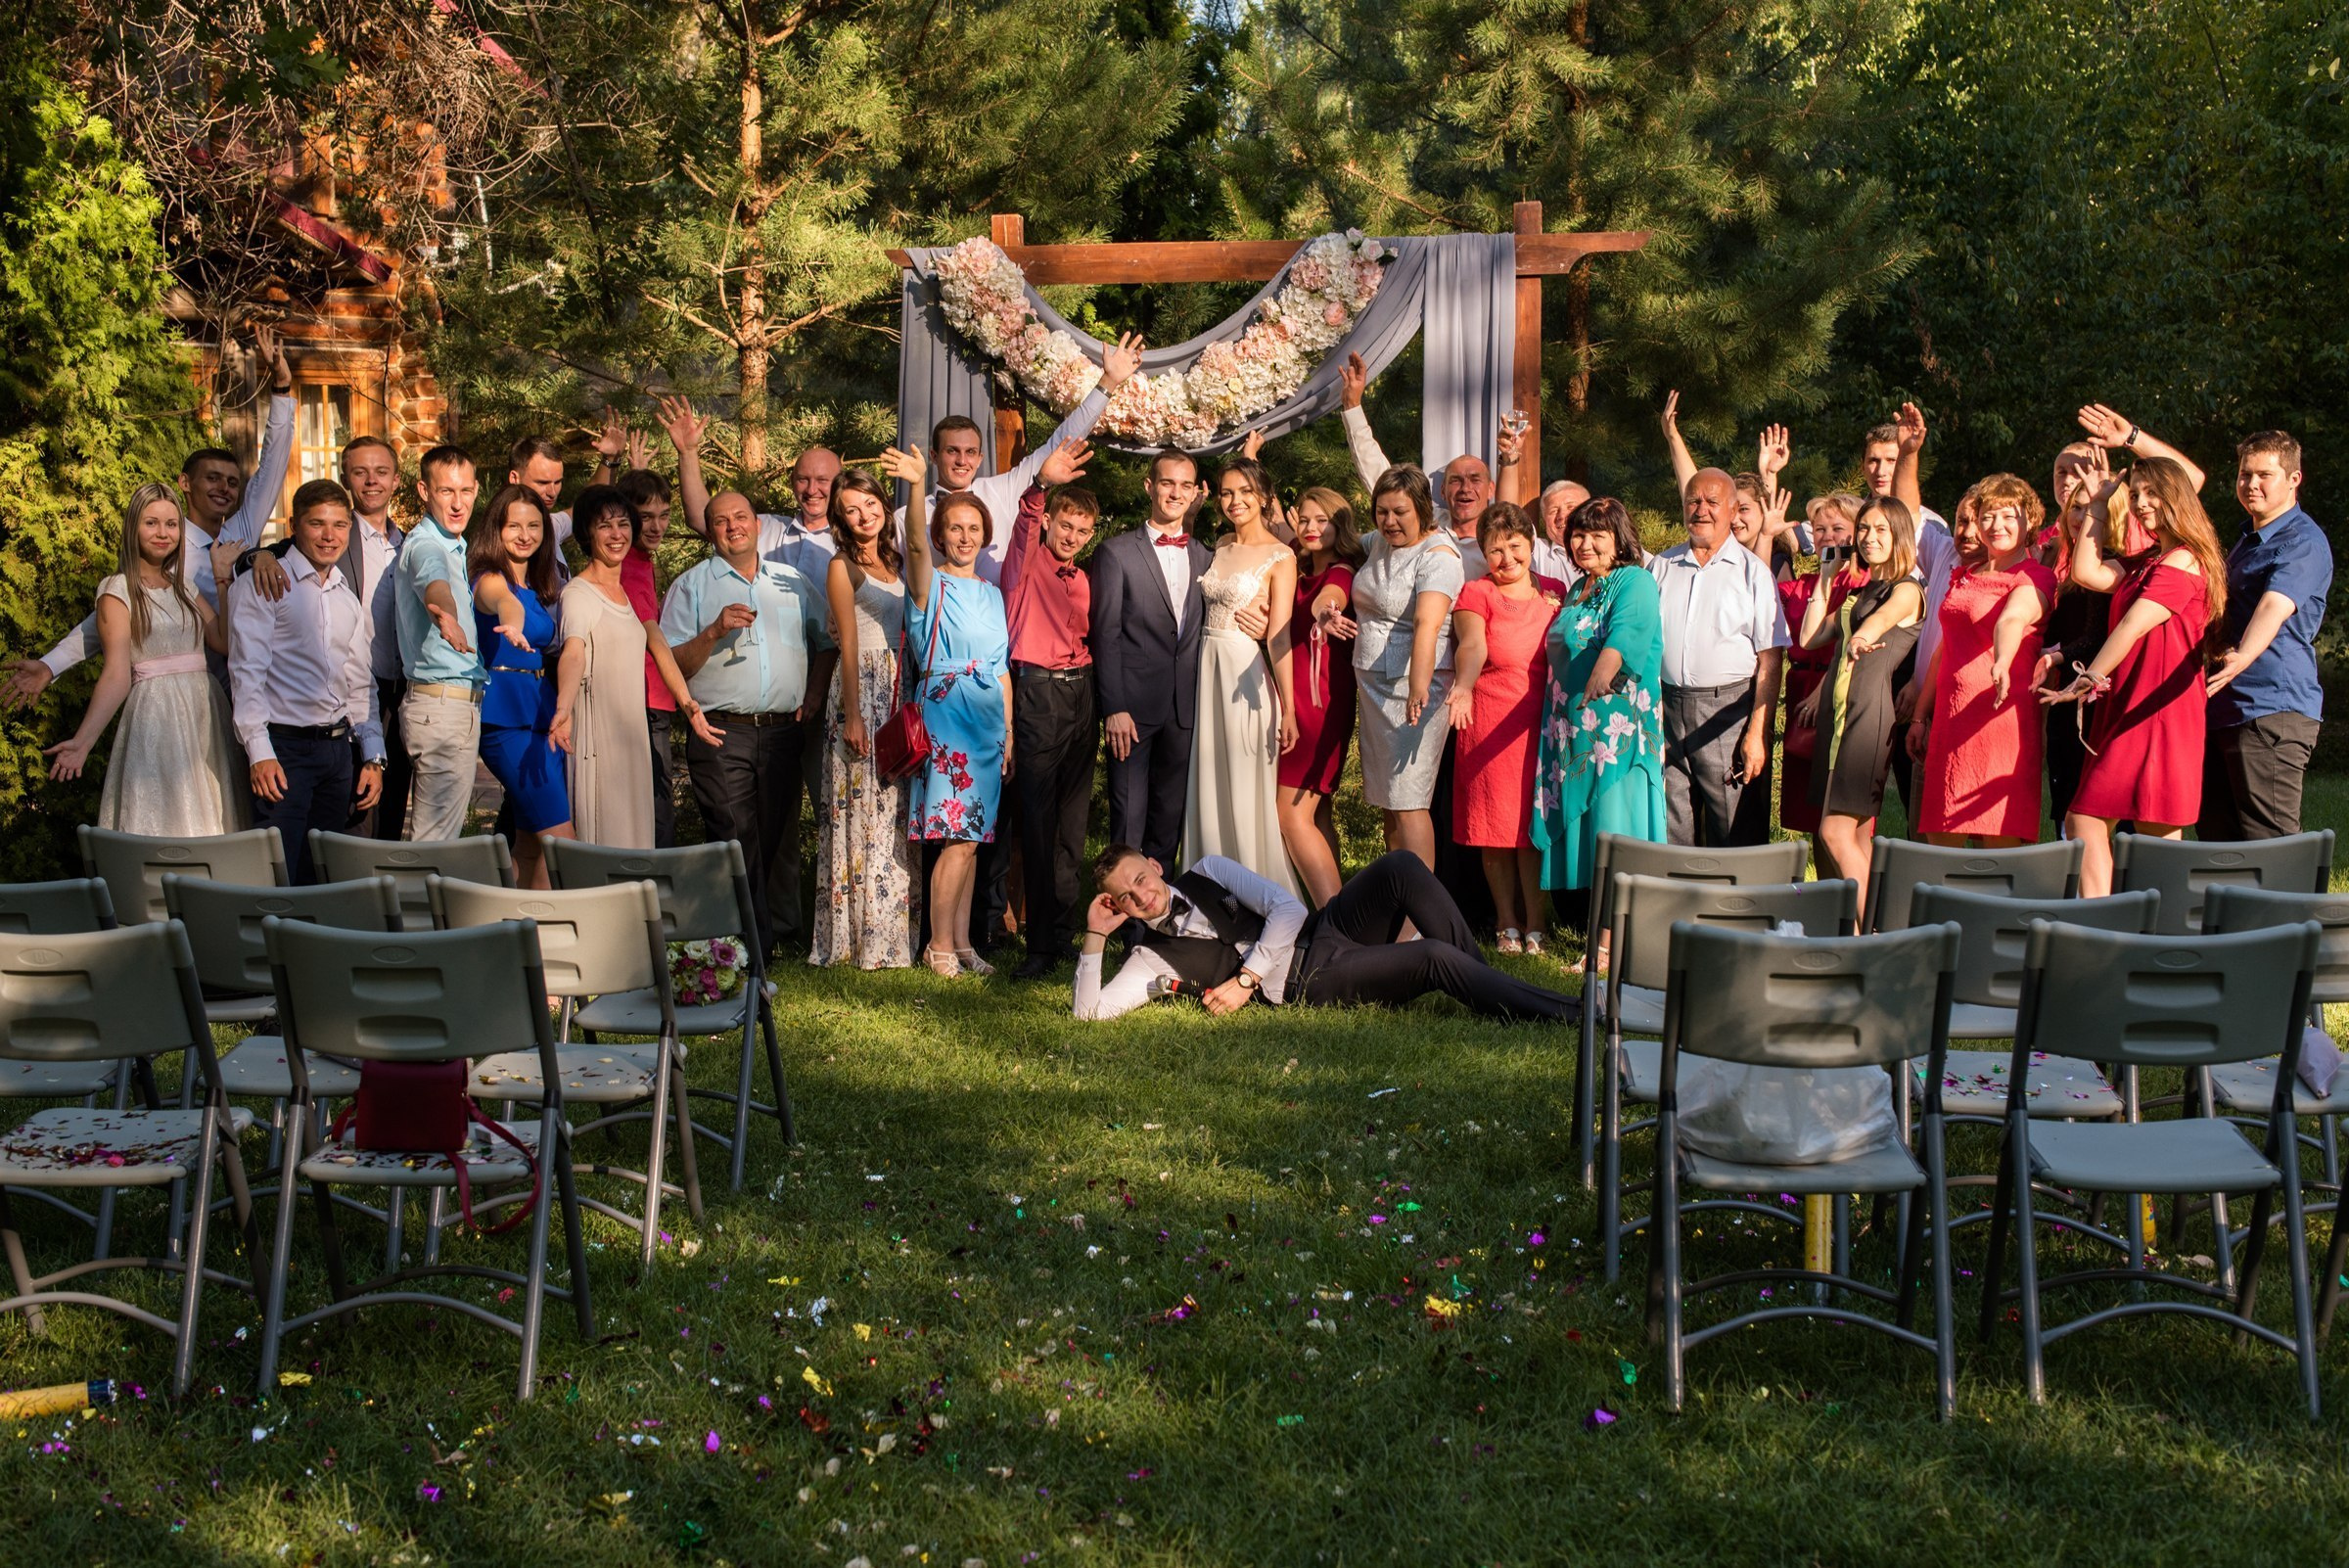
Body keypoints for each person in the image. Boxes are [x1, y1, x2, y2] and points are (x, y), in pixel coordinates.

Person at [7, 329, 296, 706]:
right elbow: (110, 615)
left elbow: (272, 466)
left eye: (231, 482)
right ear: (185, 483)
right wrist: (50, 665)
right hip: (187, 696)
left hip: (251, 692)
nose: (224, 488)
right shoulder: (164, 548)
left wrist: (282, 389)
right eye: (212, 478)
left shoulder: (241, 533)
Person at [1074, 846, 1575, 1022]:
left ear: (1155, 866)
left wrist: (1246, 979)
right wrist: (1095, 936)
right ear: (1118, 908)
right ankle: (1570, 1011)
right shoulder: (1149, 959)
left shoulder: (1208, 870)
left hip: (1325, 927)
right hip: (1309, 980)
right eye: (1126, 898)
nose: (1142, 897)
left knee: (1401, 866)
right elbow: (1089, 1014)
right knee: (1431, 957)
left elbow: (1288, 908)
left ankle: (1488, 989)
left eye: (1141, 879)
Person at [660, 487, 831, 955]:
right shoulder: (692, 586)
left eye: (741, 517)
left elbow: (827, 640)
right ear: (710, 532)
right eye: (721, 520)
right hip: (720, 731)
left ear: (758, 525)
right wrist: (714, 631)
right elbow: (673, 663)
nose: (733, 526)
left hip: (782, 731)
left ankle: (754, 939)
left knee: (772, 836)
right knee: (732, 835)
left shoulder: (792, 582)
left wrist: (815, 693)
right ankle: (749, 949)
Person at [2048, 456, 2225, 898]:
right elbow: (2086, 573)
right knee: (2124, 828)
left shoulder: (2184, 561)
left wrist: (2088, 677)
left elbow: (2132, 625)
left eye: (2152, 493)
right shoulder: (2151, 558)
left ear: (2176, 497)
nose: (2142, 503)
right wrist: (2099, 505)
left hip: (2157, 713)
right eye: (2136, 493)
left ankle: (2112, 922)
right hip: (2129, 704)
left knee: (2113, 824)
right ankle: (2123, 923)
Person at [42, 483, 244, 839]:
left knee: (214, 820)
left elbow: (223, 642)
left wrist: (222, 579)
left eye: (171, 524)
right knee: (168, 819)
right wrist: (83, 741)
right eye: (151, 523)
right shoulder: (117, 590)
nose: (163, 533)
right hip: (157, 716)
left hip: (205, 714)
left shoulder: (184, 587)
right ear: (133, 528)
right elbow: (116, 673)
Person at [888, 450, 1013, 978]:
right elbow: (914, 545)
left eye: (973, 528)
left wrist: (1009, 731)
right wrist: (918, 486)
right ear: (940, 535)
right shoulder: (928, 584)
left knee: (973, 838)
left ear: (985, 536)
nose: (965, 537)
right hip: (946, 713)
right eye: (955, 528)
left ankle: (962, 943)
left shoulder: (992, 593)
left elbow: (1001, 668)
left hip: (987, 722)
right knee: (956, 837)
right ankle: (937, 945)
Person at [225, 480, 383, 885]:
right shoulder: (264, 583)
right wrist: (259, 752)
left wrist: (372, 755)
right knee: (279, 876)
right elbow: (246, 673)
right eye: (317, 524)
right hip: (284, 751)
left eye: (339, 525)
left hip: (338, 754)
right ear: (294, 525)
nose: (330, 535)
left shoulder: (346, 596)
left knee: (325, 876)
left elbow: (359, 681)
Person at [1532, 497, 1666, 955]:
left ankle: (1610, 948)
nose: (1584, 543)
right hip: (1575, 733)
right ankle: (1600, 936)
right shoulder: (1578, 588)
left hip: (1617, 737)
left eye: (1597, 535)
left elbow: (1624, 637)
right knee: (1595, 837)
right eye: (1578, 534)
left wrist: (1600, 677)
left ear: (1619, 539)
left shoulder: (1636, 581)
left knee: (1616, 836)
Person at [555, 486, 721, 852]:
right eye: (605, 526)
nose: (617, 534)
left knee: (638, 839)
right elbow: (573, 653)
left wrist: (688, 704)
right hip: (599, 738)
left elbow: (659, 645)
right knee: (606, 842)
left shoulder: (626, 593)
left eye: (623, 524)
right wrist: (563, 708)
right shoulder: (578, 594)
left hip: (632, 737)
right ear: (587, 534)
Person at [904, 335, 1144, 585]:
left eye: (971, 452)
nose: (962, 460)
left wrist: (1108, 382)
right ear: (934, 456)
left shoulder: (1004, 490)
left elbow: (1062, 441)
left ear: (980, 458)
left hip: (1003, 608)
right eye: (952, 451)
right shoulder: (906, 517)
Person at [998, 443, 1104, 978]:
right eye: (1066, 525)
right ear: (1050, 522)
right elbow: (1024, 525)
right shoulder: (1026, 565)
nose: (1072, 536)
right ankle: (1037, 944)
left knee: (1071, 822)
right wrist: (1041, 485)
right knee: (1037, 822)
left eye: (1083, 531)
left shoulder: (1081, 578)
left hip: (1082, 693)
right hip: (1038, 694)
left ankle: (1061, 932)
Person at [812, 469, 923, 971]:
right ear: (840, 517)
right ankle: (860, 939)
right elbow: (849, 642)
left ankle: (895, 936)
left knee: (895, 811)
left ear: (883, 504)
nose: (864, 516)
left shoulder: (895, 561)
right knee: (862, 809)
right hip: (863, 688)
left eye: (871, 504)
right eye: (852, 509)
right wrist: (853, 715)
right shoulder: (842, 566)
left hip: (900, 688)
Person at [1909, 475, 2056, 846]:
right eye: (1988, 515)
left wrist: (2002, 661)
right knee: (1941, 842)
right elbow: (1945, 648)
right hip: (1951, 720)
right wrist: (1920, 716)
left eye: (2008, 516)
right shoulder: (1965, 574)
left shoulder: (2035, 576)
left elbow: (2012, 619)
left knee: (1996, 848)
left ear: (2030, 521)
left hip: (1998, 716)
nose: (1996, 525)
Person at [1447, 503, 1567, 954]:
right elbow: (1472, 645)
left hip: (1543, 723)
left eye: (1515, 546)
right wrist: (1463, 686)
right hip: (1491, 719)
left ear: (1531, 544)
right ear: (1483, 553)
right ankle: (1506, 922)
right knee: (1494, 827)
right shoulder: (1477, 592)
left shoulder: (1555, 591)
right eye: (1495, 550)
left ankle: (1538, 922)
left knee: (1533, 824)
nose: (1506, 558)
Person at [1794, 496, 1923, 916]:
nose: (1869, 537)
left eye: (1880, 529)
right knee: (1852, 839)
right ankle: (1865, 930)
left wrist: (1862, 638)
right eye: (1864, 528)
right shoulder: (1863, 591)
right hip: (1837, 720)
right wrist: (1825, 577)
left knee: (1834, 833)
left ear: (1899, 534)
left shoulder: (1906, 589)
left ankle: (1869, 936)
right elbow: (1809, 638)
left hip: (1867, 720)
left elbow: (1879, 622)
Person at [1649, 469, 1788, 847]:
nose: (1701, 510)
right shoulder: (1661, 567)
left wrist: (1757, 733)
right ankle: (1679, 888)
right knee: (1672, 829)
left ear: (1732, 510)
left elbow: (1770, 660)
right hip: (1667, 711)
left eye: (1712, 502)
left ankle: (1737, 890)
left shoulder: (1753, 573)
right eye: (1693, 501)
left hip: (1729, 712)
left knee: (1735, 833)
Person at [2202, 431, 2329, 841]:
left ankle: (2294, 890)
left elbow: (2275, 605)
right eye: (2245, 474)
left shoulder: (2302, 541)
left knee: (2270, 843)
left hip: (2270, 709)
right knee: (2219, 841)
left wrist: (2242, 656)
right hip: (2225, 706)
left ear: (2294, 479)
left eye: (2264, 475)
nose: (2251, 484)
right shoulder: (2249, 540)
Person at [1091, 447, 1213, 871]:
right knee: (1128, 817)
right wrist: (1114, 708)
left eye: (1185, 485)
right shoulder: (1116, 553)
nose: (1175, 493)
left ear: (1195, 493)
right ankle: (1122, 909)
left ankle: (1159, 906)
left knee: (1169, 818)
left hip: (1185, 708)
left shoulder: (1205, 556)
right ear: (1149, 487)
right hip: (1132, 711)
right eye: (1167, 483)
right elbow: (1104, 634)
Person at [1185, 455, 1302, 896]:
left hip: (1244, 677)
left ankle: (1258, 896)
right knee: (1210, 781)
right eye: (1227, 493)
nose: (1235, 501)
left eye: (1246, 492)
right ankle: (1210, 893)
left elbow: (1280, 634)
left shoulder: (1281, 556)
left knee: (1242, 787)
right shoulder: (1220, 546)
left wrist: (1288, 708)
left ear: (1264, 497)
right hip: (1207, 673)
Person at [1345, 465, 1464, 870]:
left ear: (1422, 509)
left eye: (1400, 512)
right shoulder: (1379, 542)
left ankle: (1421, 904)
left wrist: (1419, 686)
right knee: (1389, 801)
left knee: (1410, 801)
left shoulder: (1440, 556)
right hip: (1375, 689)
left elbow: (1427, 624)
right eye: (1381, 512)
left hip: (1417, 689)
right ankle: (1397, 891)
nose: (1389, 521)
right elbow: (1337, 542)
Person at [1335, 350, 1525, 578]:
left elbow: (1508, 511)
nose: (1465, 488)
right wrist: (1352, 407)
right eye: (1455, 480)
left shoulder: (1501, 538)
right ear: (1443, 491)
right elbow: (1381, 477)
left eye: (1475, 479)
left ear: (1491, 489)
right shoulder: (1428, 523)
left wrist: (1509, 458)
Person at [467, 484, 571, 889]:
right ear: (496, 529)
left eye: (533, 526)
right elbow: (503, 602)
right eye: (514, 526)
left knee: (531, 847)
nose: (525, 535)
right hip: (506, 721)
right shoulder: (489, 579)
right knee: (563, 844)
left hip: (541, 717)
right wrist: (512, 622)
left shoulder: (537, 588)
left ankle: (519, 923)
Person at [393, 444, 487, 842]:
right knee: (435, 844)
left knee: (437, 841)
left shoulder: (451, 544)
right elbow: (434, 583)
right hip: (443, 708)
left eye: (465, 491)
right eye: (446, 491)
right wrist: (445, 615)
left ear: (476, 490)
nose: (457, 503)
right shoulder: (427, 545)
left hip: (443, 706)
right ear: (424, 491)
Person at [1276, 486, 1363, 906]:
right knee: (1317, 812)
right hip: (1294, 696)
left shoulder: (1340, 572)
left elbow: (1330, 600)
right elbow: (1272, 522)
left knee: (1291, 813)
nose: (1311, 528)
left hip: (1317, 703)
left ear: (1339, 525)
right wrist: (1251, 457)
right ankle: (1340, 909)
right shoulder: (1298, 562)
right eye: (1305, 519)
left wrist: (1325, 613)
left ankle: (1333, 920)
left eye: (1322, 521)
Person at [1776, 493, 1865, 850]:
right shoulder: (1804, 584)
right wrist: (1767, 536)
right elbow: (1759, 590)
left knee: (1842, 817)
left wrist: (1824, 692)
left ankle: (1854, 883)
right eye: (1819, 529)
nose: (1827, 536)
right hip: (1801, 690)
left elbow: (1856, 642)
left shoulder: (1864, 582)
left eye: (1837, 528)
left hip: (1840, 689)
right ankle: (1829, 884)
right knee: (1812, 816)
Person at [617, 468, 682, 847]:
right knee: (654, 810)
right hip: (641, 699)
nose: (657, 527)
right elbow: (650, 636)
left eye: (664, 515)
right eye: (646, 517)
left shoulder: (641, 561)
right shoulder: (623, 566)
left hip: (653, 696)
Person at [1535, 480, 1591, 583]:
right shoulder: (1538, 553)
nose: (1561, 516)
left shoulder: (1608, 554)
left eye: (1571, 507)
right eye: (1553, 511)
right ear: (1544, 521)